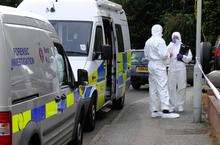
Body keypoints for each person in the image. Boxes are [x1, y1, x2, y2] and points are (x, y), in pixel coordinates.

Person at [144, 24, 180, 118]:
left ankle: (154, 110)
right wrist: (169, 54)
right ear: (159, 31)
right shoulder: (160, 41)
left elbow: (146, 55)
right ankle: (165, 109)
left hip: (151, 64)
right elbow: (163, 55)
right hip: (159, 64)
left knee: (153, 87)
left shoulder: (148, 41)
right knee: (163, 86)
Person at [168, 32, 192, 112]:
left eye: (176, 37)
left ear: (179, 37)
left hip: (181, 68)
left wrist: (183, 57)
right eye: (174, 37)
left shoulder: (184, 47)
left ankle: (180, 105)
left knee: (181, 87)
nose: (175, 39)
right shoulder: (170, 46)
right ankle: (172, 105)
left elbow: (189, 58)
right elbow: (164, 56)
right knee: (171, 87)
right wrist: (169, 55)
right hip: (172, 68)